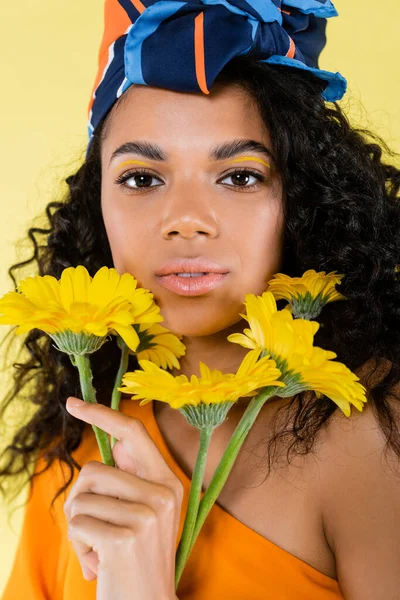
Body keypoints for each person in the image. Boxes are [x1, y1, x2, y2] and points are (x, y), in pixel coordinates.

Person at [1, 0, 400, 598]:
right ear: (96, 205)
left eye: (240, 176)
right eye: (142, 178)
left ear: (301, 199)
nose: (186, 221)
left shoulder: (370, 430)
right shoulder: (76, 448)